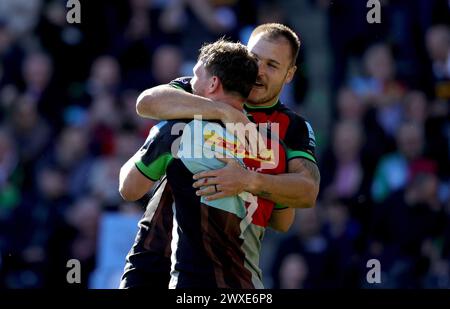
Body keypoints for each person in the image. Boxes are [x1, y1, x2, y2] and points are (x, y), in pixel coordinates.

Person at [121, 23, 320, 288]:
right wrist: (224, 112)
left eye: (272, 65)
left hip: (221, 271)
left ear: (289, 74)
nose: (259, 71)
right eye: (255, 59)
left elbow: (303, 196)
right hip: (155, 255)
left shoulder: (289, 129)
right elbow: (146, 103)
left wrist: (247, 181)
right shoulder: (203, 89)